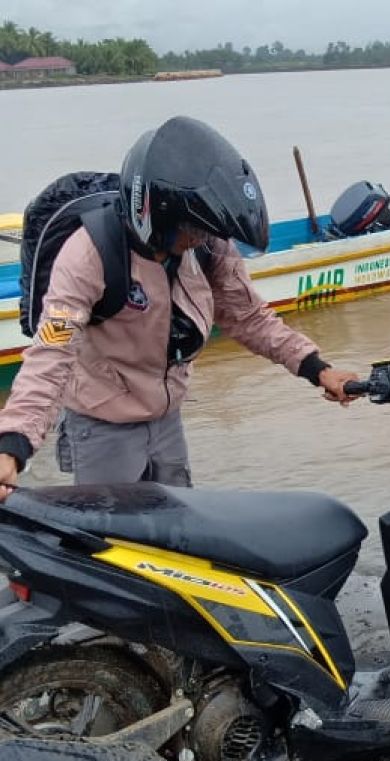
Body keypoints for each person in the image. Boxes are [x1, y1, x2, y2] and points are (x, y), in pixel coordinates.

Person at [0, 116, 359, 498]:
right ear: (155, 215)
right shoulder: (89, 254)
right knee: (109, 538)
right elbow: (51, 354)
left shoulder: (207, 246)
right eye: (193, 229)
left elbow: (250, 318)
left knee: (178, 527)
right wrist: (12, 445)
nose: (201, 240)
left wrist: (318, 370)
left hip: (166, 420)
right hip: (103, 426)